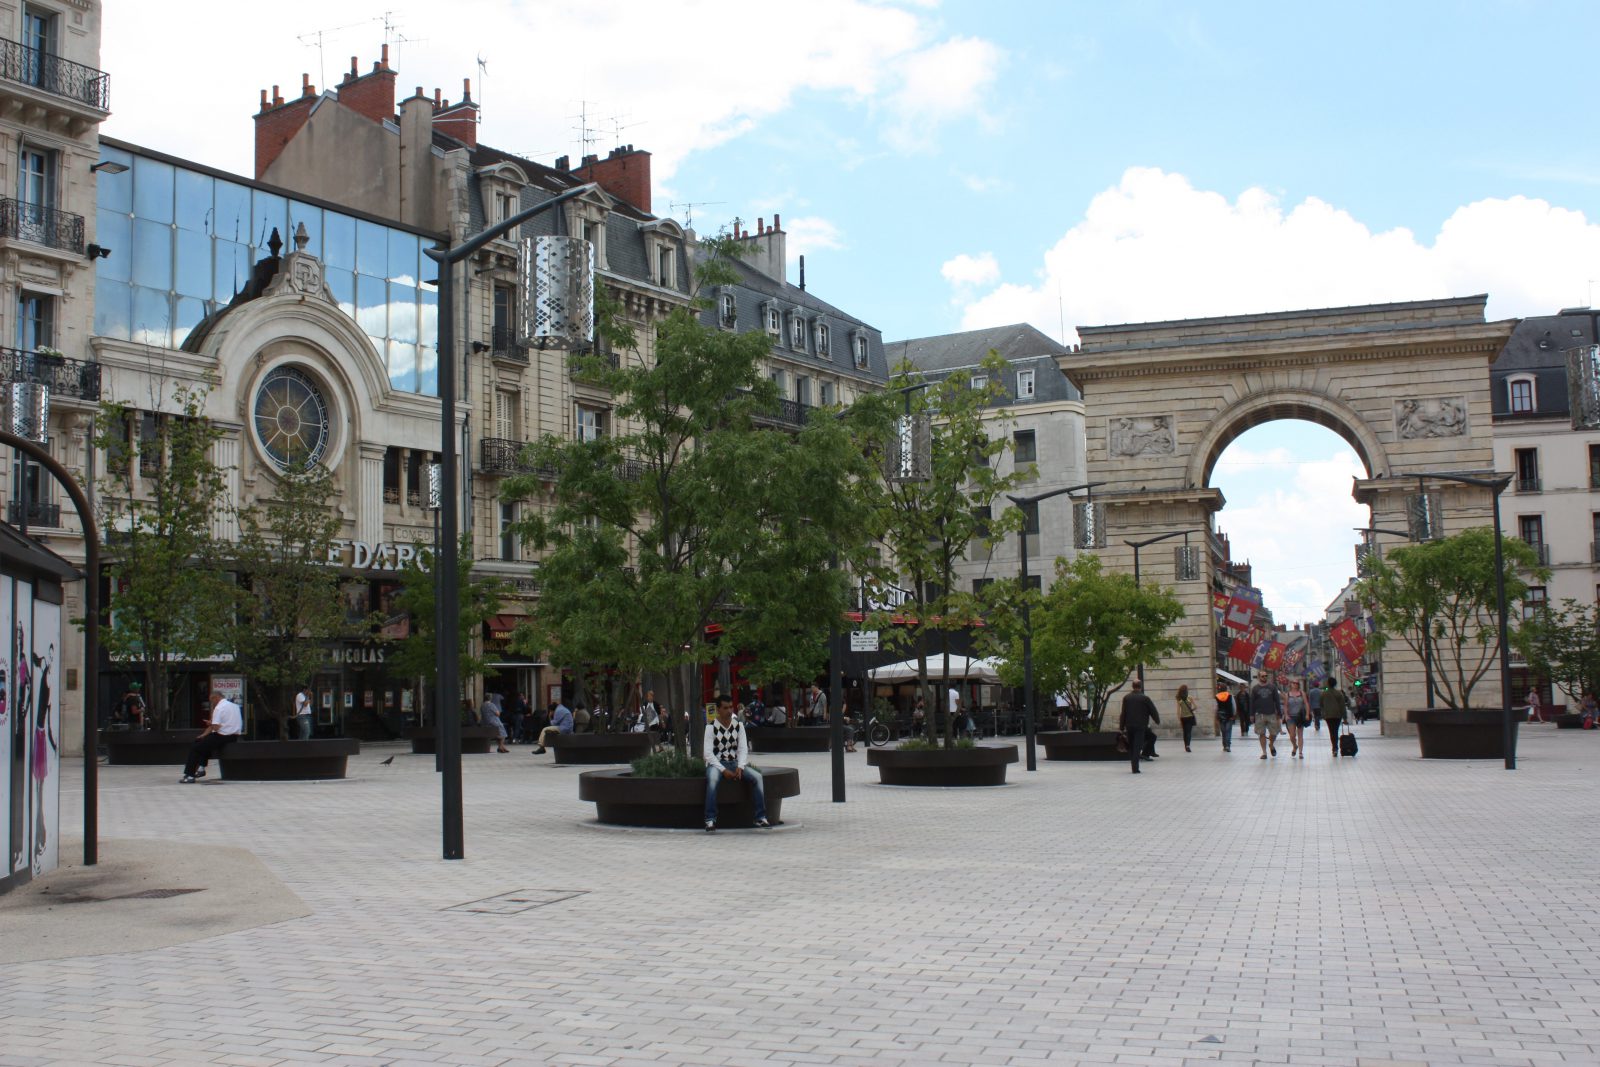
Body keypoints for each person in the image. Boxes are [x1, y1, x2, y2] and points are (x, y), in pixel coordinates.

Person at [703, 694, 770, 831]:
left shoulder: (739, 726)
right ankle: (710, 819)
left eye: (731, 707)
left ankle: (760, 817)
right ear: (718, 709)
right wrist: (723, 770)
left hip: (734, 763)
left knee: (757, 777)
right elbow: (708, 754)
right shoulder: (711, 728)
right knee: (712, 779)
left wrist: (740, 766)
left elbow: (743, 748)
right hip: (717, 764)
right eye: (725, 708)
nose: (729, 711)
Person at [182, 690, 243, 783]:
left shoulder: (219, 708)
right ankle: (201, 768)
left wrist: (210, 723)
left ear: (216, 698)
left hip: (222, 736)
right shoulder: (235, 706)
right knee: (202, 742)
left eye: (212, 700)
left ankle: (190, 775)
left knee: (195, 748)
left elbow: (216, 727)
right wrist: (203, 735)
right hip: (233, 736)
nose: (212, 703)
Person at [1118, 679, 1160, 774]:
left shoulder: (1127, 698)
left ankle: (1134, 764)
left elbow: (1123, 713)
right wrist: (1157, 720)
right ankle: (1135, 768)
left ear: (1133, 686)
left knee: (1132, 745)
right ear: (1141, 687)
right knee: (1137, 746)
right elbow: (1153, 711)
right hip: (1141, 726)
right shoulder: (1145, 698)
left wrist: (1121, 727)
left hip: (1129, 725)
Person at [1250, 671, 1282, 759]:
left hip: (1271, 713)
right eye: (1263, 676)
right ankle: (1264, 753)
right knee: (1261, 733)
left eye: (1266, 676)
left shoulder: (1272, 687)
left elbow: (1277, 700)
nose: (1265, 677)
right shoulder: (1255, 689)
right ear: (1259, 677)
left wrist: (1279, 712)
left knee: (1274, 733)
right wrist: (1251, 714)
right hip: (1259, 714)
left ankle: (1271, 745)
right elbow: (1252, 702)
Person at [1320, 678, 1348, 757]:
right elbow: (1343, 706)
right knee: (1335, 730)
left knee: (1332, 731)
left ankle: (1334, 748)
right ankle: (1335, 747)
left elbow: (1321, 704)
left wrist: (1323, 713)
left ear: (1328, 684)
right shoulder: (1339, 693)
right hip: (1337, 715)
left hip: (1328, 715)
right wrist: (1345, 718)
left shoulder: (1324, 694)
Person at [1284, 682, 1308, 759]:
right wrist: (1286, 715)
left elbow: (1306, 703)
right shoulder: (1287, 694)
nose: (1295, 684)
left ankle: (1300, 752)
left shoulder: (1302, 693)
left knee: (1300, 735)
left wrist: (1307, 714)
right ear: (1290, 684)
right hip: (1291, 717)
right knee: (1292, 735)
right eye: (1293, 683)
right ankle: (1295, 746)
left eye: (1296, 683)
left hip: (1300, 716)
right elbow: (1285, 706)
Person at [1176, 685, 1198, 752]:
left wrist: (1179, 719)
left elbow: (1178, 710)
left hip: (1183, 717)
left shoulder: (1179, 699)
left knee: (1185, 732)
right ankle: (1188, 745)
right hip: (1190, 717)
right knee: (1188, 732)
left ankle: (1186, 745)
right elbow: (1196, 706)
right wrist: (1191, 710)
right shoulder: (1190, 697)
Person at [1215, 684, 1235, 752]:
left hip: (1221, 716)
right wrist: (1233, 714)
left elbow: (1215, 707)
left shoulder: (1217, 697)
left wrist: (1216, 717)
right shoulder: (1230, 696)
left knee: (1223, 731)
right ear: (1226, 689)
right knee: (1228, 731)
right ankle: (1228, 746)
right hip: (1229, 716)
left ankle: (1224, 745)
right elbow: (1234, 706)